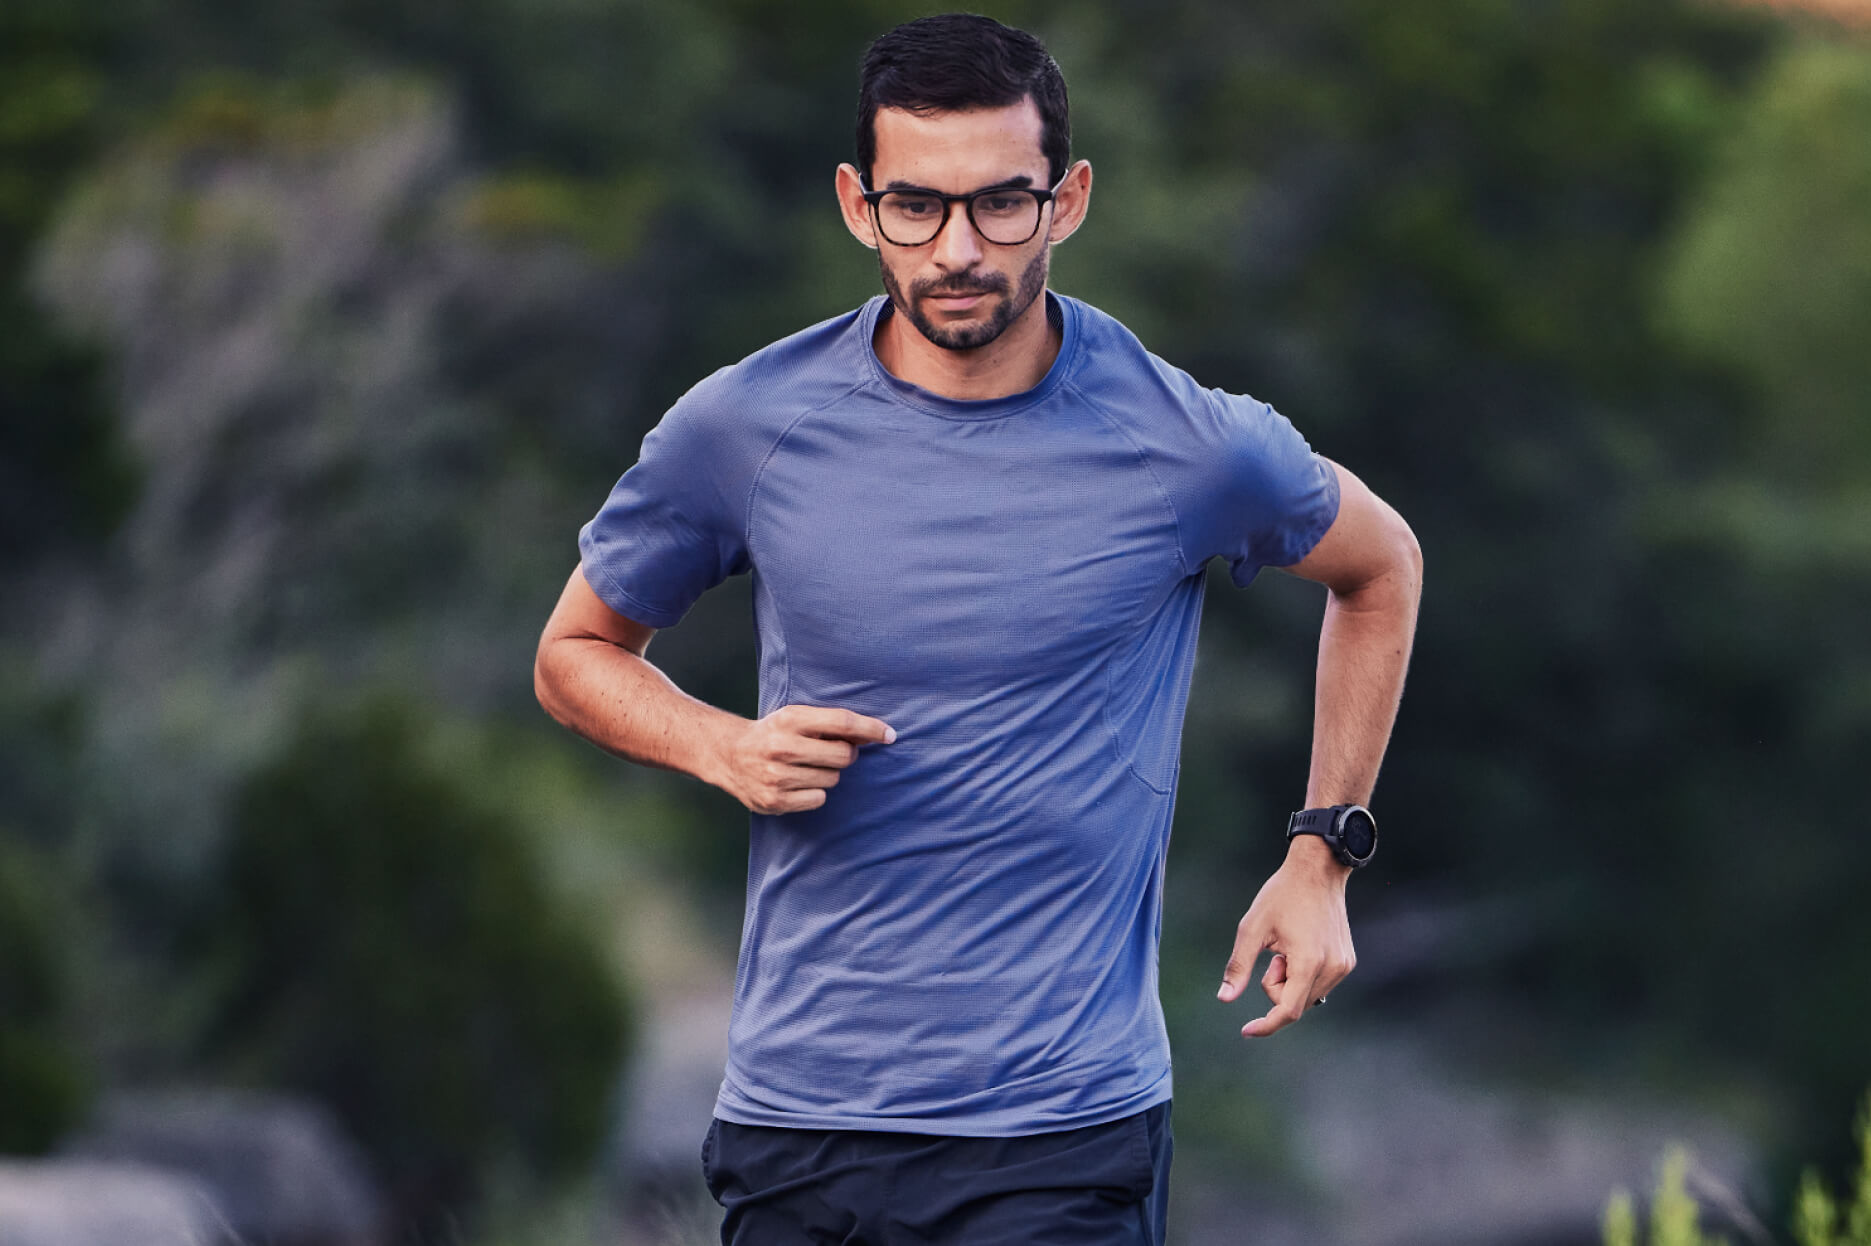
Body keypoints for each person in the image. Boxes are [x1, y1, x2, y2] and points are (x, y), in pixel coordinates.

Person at [529, 13, 1423, 1243]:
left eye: (1002, 203)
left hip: (1063, 1133)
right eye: (917, 206)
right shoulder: (745, 428)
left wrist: (1323, 854)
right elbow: (574, 654)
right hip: (801, 1125)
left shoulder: (1186, 444)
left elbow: (1380, 565)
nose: (958, 249)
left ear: (1069, 200)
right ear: (858, 205)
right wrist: (718, 745)